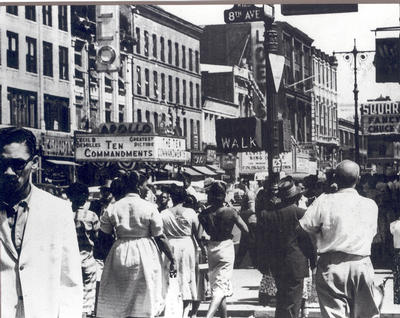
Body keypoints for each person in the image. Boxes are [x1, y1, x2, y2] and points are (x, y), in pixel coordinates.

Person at [0, 127, 82, 317]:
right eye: (2, 164)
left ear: (35, 162)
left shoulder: (58, 210)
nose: (9, 172)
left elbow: (69, 282)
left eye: (18, 164)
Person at [300, 160, 382, 318]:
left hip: (331, 264)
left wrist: (318, 240)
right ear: (358, 180)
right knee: (367, 315)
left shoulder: (323, 201)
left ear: (335, 179)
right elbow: (372, 233)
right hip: (362, 263)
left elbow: (305, 227)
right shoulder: (370, 205)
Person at [96, 171, 177, 318]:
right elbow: (160, 237)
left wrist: (107, 257)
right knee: (144, 296)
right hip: (145, 253)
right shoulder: (149, 207)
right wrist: (172, 258)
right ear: (139, 187)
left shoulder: (113, 207)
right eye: (146, 185)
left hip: (119, 252)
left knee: (121, 296)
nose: (147, 189)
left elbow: (103, 236)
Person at [258, 176, 315, 318]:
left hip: (276, 264)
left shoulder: (267, 215)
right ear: (296, 197)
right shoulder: (300, 214)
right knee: (293, 303)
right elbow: (308, 241)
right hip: (295, 264)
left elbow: (263, 242)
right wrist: (314, 261)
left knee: (282, 300)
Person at [199, 182, 249, 318]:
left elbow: (200, 235)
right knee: (221, 286)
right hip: (226, 247)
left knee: (218, 285)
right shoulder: (230, 212)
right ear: (223, 195)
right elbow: (246, 229)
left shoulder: (203, 214)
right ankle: (208, 316)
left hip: (211, 248)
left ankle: (224, 316)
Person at [161, 184, 206, 318]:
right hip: (187, 246)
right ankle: (185, 311)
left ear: (172, 197)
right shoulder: (191, 213)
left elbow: (159, 234)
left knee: (171, 276)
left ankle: (170, 309)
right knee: (187, 276)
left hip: (169, 245)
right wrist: (203, 250)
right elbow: (198, 235)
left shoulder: (163, 213)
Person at [66, 182, 100, 318]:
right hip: (87, 259)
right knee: (88, 294)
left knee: (70, 293)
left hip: (69, 260)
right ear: (86, 197)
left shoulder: (64, 214)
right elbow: (98, 238)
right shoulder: (92, 216)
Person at [234, 192, 257, 269]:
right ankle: (238, 263)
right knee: (244, 244)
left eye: (238, 198)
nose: (238, 200)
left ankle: (255, 263)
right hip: (248, 222)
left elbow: (252, 209)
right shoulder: (247, 195)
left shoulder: (250, 194)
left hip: (251, 222)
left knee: (249, 243)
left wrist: (240, 214)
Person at [390, 216, 400, 304]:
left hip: (397, 251)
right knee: (397, 275)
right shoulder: (393, 224)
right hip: (397, 251)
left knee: (397, 275)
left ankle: (397, 298)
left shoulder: (393, 224)